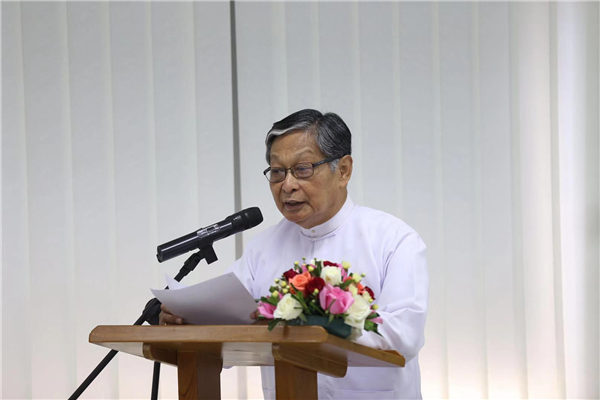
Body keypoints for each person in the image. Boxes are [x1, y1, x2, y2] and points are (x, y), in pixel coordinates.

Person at [160, 109, 429, 399]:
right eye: (277, 172)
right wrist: (187, 320)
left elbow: (404, 334)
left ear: (343, 170)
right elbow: (225, 323)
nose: (287, 185)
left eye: (302, 169)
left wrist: (320, 325)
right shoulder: (263, 249)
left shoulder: (393, 240)